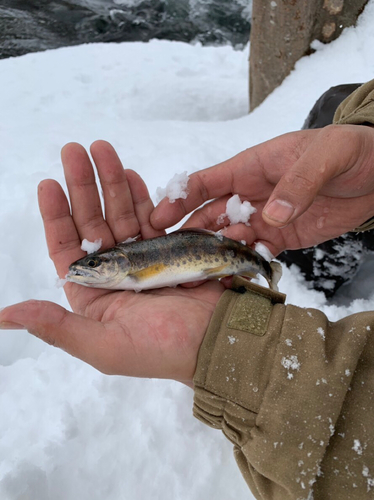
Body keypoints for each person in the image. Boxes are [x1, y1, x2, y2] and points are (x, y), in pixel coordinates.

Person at [1, 81, 374, 499]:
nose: (85, 270)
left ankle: (295, 270)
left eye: (92, 265)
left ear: (116, 262)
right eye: (89, 267)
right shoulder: (128, 269)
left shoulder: (135, 267)